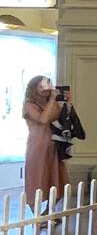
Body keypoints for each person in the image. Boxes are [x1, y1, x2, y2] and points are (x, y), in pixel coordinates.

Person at [22, 75, 69, 213]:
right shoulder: (29, 105)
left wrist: (65, 103)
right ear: (34, 88)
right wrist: (53, 100)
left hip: (54, 146)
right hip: (37, 147)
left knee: (59, 181)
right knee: (37, 179)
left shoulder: (50, 103)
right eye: (42, 85)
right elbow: (43, 119)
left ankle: (48, 213)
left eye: (48, 84)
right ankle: (36, 215)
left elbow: (59, 118)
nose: (46, 88)